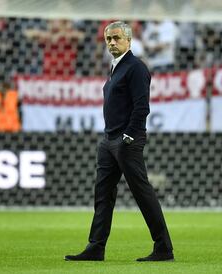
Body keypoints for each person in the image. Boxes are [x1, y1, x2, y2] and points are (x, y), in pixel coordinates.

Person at [64, 21, 174, 262]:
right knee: (102, 194)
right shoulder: (116, 68)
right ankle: (96, 247)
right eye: (108, 39)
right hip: (109, 140)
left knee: (142, 192)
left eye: (116, 38)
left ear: (129, 40)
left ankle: (164, 248)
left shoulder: (135, 67)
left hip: (126, 141)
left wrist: (129, 136)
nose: (112, 42)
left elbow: (142, 107)